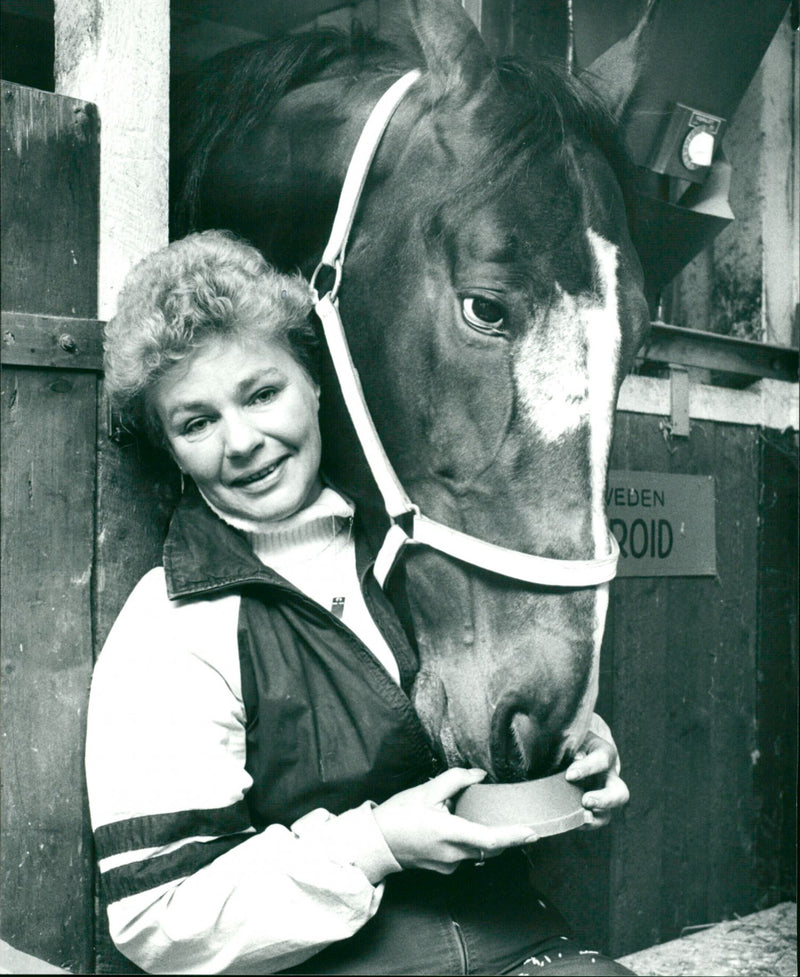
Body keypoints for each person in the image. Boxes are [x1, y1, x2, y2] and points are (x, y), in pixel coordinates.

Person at [86, 230, 635, 977]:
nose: (241, 441)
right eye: (197, 420)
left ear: (314, 380)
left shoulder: (422, 550)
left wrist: (576, 747)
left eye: (261, 392)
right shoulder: (175, 620)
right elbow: (157, 915)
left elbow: (495, 721)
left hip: (520, 942)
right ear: (170, 446)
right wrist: (375, 844)